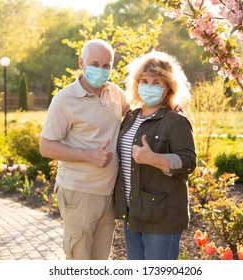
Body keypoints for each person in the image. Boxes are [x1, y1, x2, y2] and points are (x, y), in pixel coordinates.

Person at [40, 39, 129, 260]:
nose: (101, 70)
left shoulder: (115, 93)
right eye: (95, 63)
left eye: (106, 65)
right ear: (82, 63)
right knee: (79, 260)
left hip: (108, 194)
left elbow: (140, 108)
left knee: (100, 260)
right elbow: (46, 146)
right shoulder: (64, 99)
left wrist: (170, 103)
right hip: (79, 193)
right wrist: (89, 155)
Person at [114, 51, 197, 260]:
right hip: (133, 213)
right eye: (144, 80)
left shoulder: (174, 119)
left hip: (161, 217)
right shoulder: (131, 117)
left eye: (156, 82)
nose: (148, 86)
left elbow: (188, 162)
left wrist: (154, 159)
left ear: (169, 87)